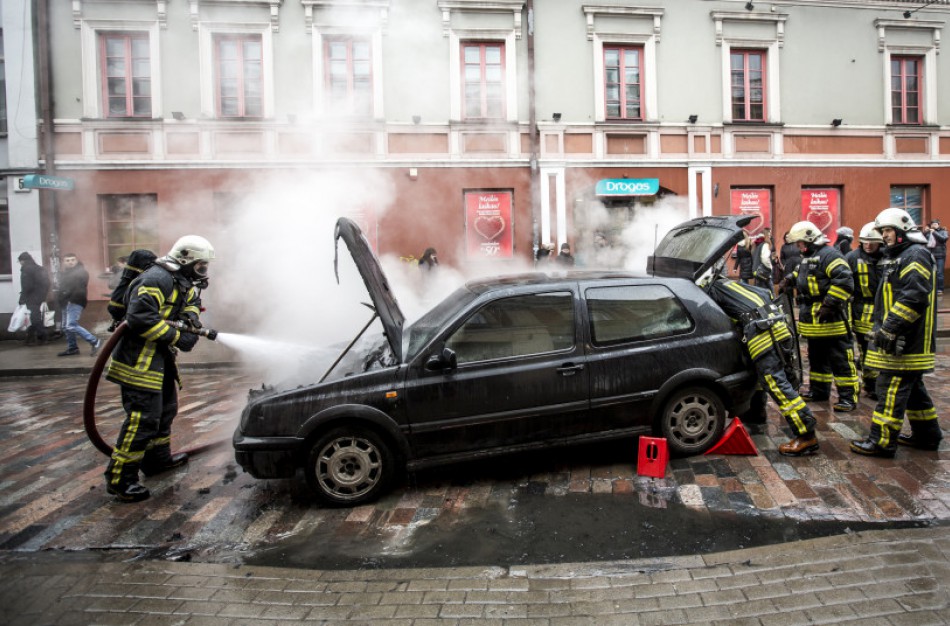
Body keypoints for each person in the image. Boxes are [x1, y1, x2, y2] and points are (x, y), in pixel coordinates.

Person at [103, 235, 214, 502]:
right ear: (186, 258)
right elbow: (140, 318)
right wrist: (178, 337)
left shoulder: (180, 279)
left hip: (159, 360)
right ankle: (121, 479)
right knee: (143, 419)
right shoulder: (156, 279)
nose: (203, 271)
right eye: (200, 266)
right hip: (138, 363)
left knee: (166, 410)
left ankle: (157, 461)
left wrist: (190, 318)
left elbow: (190, 302)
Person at [851, 208, 942, 457]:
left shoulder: (915, 255)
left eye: (888, 230)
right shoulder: (900, 256)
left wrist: (890, 328)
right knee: (913, 391)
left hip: (908, 341)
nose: (885, 236)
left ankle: (881, 441)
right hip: (904, 339)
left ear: (903, 230)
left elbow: (913, 297)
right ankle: (928, 435)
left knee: (889, 388)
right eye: (883, 231)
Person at [705, 274, 818, 456]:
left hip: (762, 332)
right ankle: (756, 413)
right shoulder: (729, 284)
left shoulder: (709, 293)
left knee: (775, 383)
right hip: (778, 325)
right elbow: (766, 292)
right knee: (763, 376)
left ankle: (806, 435)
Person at [787, 220, 859, 412]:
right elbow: (801, 273)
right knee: (817, 359)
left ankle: (848, 397)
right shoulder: (808, 256)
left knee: (840, 359)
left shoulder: (829, 255)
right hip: (813, 321)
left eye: (800, 242)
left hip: (831, 320)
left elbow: (844, 280)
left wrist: (830, 304)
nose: (798, 246)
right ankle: (819, 391)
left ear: (810, 239)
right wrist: (790, 279)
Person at [845, 223, 884, 399]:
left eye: (872, 242)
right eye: (865, 242)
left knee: (880, 351)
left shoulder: (888, 257)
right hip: (861, 312)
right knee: (866, 350)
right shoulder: (852, 258)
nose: (868, 246)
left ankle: (876, 384)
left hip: (884, 311)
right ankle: (871, 384)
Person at [56, 253, 102, 357]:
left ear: (76, 261)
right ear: (64, 262)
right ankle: (72, 348)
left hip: (74, 301)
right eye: (67, 260)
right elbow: (62, 288)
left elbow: (77, 288)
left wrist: (68, 296)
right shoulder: (64, 273)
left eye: (72, 260)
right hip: (65, 302)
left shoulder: (81, 272)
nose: (70, 262)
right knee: (66, 327)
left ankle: (95, 341)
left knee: (71, 325)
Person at [17, 252, 50, 346]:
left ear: (22, 261)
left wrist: (22, 298)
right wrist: (43, 295)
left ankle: (42, 337)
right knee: (33, 316)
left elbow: (27, 286)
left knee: (34, 317)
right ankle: (30, 338)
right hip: (40, 296)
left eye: (20, 262)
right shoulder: (40, 268)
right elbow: (47, 283)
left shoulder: (26, 269)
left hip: (31, 297)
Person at [923, 219, 946, 294]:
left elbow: (943, 239)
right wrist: (925, 232)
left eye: (936, 224)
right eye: (933, 224)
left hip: (940, 255)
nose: (934, 225)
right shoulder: (928, 232)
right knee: (930, 272)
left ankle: (940, 289)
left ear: (939, 225)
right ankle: (931, 288)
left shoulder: (943, 231)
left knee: (939, 272)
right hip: (930, 254)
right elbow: (923, 240)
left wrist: (935, 232)